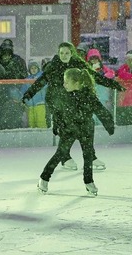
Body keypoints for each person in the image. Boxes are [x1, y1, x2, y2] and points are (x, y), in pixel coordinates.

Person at [22, 42, 122, 171]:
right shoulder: (53, 67)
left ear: (71, 53)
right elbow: (40, 81)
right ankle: (65, 157)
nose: (64, 55)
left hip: (76, 101)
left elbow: (94, 75)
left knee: (86, 127)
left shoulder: (78, 64)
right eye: (62, 53)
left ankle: (90, 156)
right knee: (67, 131)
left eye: (67, 53)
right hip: (58, 103)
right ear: (58, 53)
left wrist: (112, 84)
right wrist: (29, 94)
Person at [37, 68, 114, 196]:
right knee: (60, 154)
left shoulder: (88, 96)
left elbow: (100, 110)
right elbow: (57, 112)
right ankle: (44, 178)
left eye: (67, 82)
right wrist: (57, 124)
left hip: (86, 129)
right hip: (69, 129)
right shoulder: (63, 95)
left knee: (88, 156)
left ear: (77, 83)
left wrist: (108, 124)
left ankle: (88, 181)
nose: (64, 84)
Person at [20, 61, 47, 128]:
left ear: (38, 68)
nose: (34, 69)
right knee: (31, 123)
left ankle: (43, 136)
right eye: (32, 68)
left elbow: (46, 85)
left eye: (35, 68)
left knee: (41, 122)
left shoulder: (42, 76)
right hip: (30, 105)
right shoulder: (27, 80)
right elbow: (23, 91)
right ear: (29, 70)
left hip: (40, 103)